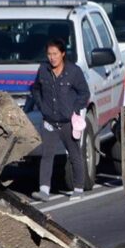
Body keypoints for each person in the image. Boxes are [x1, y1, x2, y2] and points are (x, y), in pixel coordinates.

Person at [30, 38, 91, 201]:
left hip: (68, 122)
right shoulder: (43, 70)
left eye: (55, 54)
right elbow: (35, 89)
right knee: (47, 155)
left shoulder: (74, 71)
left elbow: (84, 93)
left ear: (62, 54)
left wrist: (75, 109)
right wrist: (42, 107)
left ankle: (78, 188)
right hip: (49, 121)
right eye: (49, 54)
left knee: (75, 155)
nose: (52, 57)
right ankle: (44, 190)